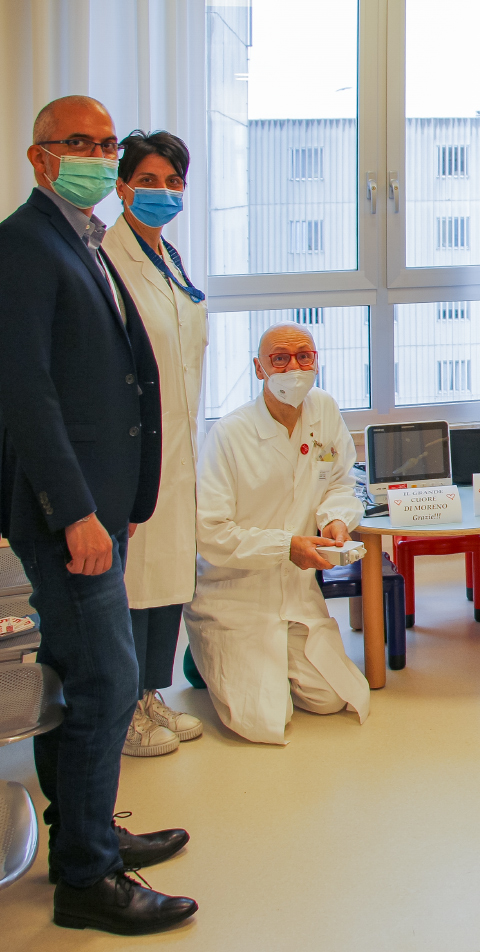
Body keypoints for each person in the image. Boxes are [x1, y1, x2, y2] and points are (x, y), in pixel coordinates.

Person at [0, 95, 196, 935]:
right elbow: (27, 395)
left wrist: (124, 497)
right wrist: (77, 510)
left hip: (103, 504)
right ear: (40, 156)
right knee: (109, 681)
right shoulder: (23, 245)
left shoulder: (81, 240)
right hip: (66, 512)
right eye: (79, 142)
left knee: (81, 679)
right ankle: (86, 877)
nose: (96, 154)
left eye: (105, 142)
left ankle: (87, 835)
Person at [184, 323, 370, 746]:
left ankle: (272, 660)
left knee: (331, 700)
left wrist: (335, 519)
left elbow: (340, 481)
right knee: (264, 720)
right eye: (280, 358)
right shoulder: (229, 434)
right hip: (236, 593)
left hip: (296, 593)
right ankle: (202, 653)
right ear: (259, 368)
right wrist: (286, 547)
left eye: (304, 356)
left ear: (317, 361)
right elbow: (210, 531)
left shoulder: (324, 410)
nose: (294, 368)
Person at [101, 129, 207, 759]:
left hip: (176, 448)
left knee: (167, 577)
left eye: (173, 182)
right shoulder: (107, 259)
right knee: (133, 584)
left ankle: (149, 694)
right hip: (137, 452)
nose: (163, 192)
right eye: (148, 181)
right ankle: (124, 710)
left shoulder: (168, 256)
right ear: (122, 188)